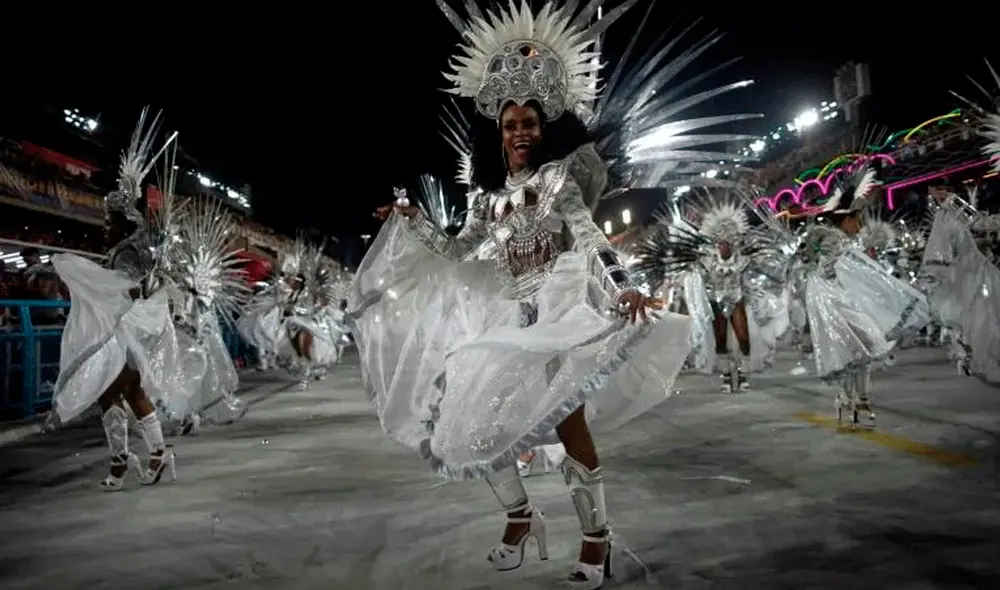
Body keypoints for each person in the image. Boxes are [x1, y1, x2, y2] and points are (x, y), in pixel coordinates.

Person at [348, 2, 693, 587]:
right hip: (507, 313)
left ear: (545, 125)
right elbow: (458, 251)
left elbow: (587, 238)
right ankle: (519, 517)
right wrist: (411, 220)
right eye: (510, 126)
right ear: (499, 134)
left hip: (557, 308)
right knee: (467, 422)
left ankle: (596, 538)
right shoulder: (487, 200)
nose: (520, 133)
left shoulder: (559, 182)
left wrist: (626, 285)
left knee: (567, 425)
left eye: (530, 122)